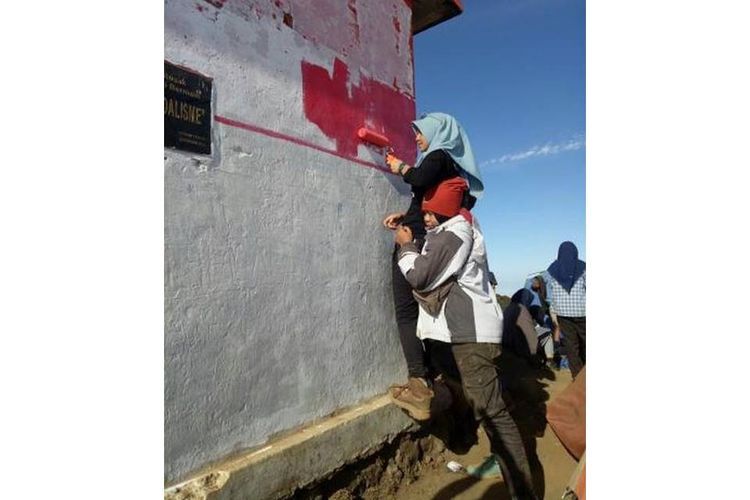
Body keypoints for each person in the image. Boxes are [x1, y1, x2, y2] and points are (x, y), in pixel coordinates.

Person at [393, 176, 538, 500]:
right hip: (466, 335)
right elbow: (435, 253)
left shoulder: (455, 232)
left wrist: (405, 246)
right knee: (485, 406)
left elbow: (420, 274)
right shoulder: (455, 228)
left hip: (471, 336)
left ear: (445, 211)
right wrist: (408, 228)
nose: (425, 217)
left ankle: (523, 493)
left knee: (495, 417)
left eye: (430, 212)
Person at [381, 112, 484, 417]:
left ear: (438, 131)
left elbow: (420, 178)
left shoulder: (438, 156)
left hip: (413, 241)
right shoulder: (449, 165)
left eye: (420, 131)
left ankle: (419, 386)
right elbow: (430, 199)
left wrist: (400, 166)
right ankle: (443, 379)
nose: (416, 137)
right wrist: (407, 214)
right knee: (429, 310)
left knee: (405, 310)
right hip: (421, 230)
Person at [543, 241, 586, 378]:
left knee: (571, 347)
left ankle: (577, 378)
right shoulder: (583, 267)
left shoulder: (552, 270)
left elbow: (549, 294)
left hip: (562, 314)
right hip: (583, 312)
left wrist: (554, 309)